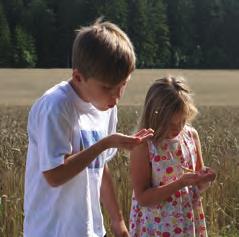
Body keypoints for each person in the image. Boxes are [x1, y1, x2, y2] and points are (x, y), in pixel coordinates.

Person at [24, 19, 154, 237]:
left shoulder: (105, 105)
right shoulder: (55, 107)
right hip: (51, 231)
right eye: (108, 88)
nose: (116, 97)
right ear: (78, 77)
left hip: (90, 230)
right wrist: (104, 144)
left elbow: (100, 167)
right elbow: (54, 175)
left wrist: (117, 220)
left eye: (123, 85)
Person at [129, 76, 216, 237]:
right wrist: (179, 183)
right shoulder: (144, 145)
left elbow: (198, 186)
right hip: (155, 226)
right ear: (155, 118)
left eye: (183, 121)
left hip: (187, 223)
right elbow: (143, 198)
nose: (178, 128)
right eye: (171, 124)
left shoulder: (191, 136)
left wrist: (205, 179)